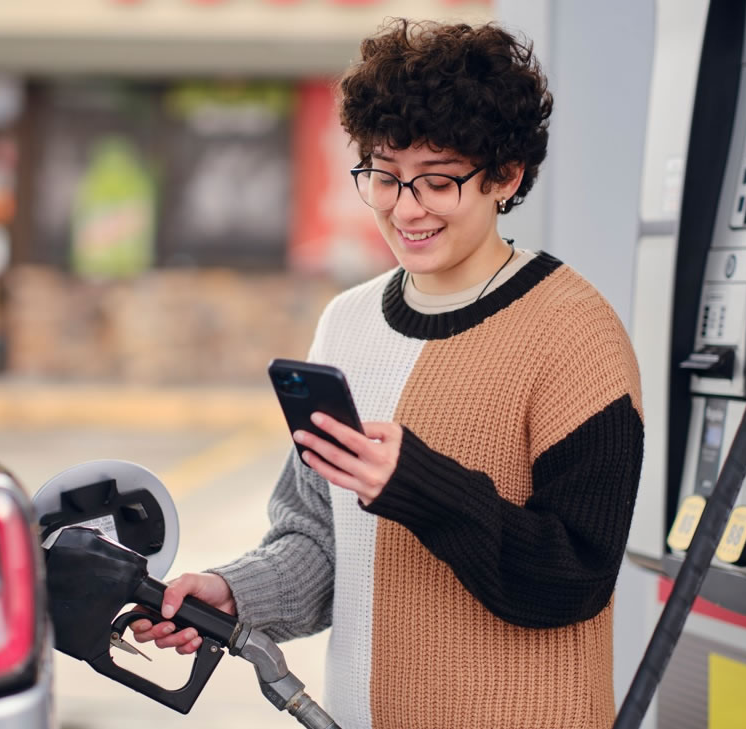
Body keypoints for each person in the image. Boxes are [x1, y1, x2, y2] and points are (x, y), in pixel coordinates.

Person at [131, 18, 643, 729]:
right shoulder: (348, 323)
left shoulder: (574, 329)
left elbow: (575, 577)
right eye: (384, 176)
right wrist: (232, 592)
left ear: (506, 175)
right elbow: (317, 539)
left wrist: (420, 487)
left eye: (437, 181)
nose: (405, 209)